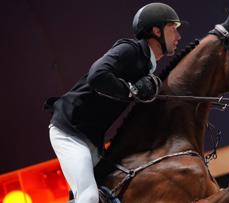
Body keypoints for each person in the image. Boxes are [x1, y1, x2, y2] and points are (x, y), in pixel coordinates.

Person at [45, 3, 182, 202]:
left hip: (91, 140)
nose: (178, 37)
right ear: (156, 30)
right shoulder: (130, 49)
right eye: (173, 29)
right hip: (69, 131)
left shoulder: (146, 66)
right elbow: (97, 75)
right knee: (89, 197)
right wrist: (132, 90)